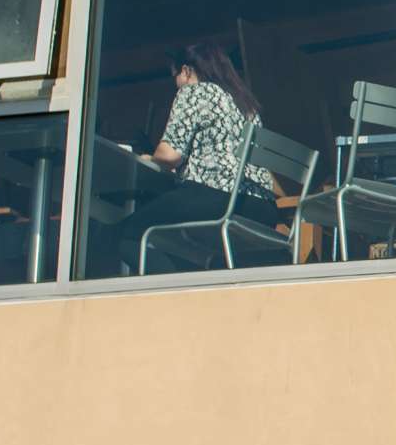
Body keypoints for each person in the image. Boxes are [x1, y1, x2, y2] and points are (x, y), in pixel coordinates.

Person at [119, 42, 282, 275]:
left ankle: (179, 294)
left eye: (174, 76)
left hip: (218, 198)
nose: (176, 83)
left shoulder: (195, 91)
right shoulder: (246, 104)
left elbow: (169, 155)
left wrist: (151, 157)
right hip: (261, 208)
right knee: (187, 248)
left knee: (129, 234)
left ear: (186, 71)